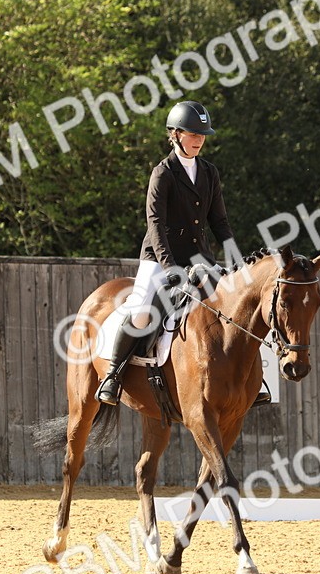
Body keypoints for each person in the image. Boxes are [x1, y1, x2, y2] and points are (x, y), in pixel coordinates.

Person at [96, 100, 237, 405]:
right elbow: (156, 224)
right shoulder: (163, 173)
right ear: (174, 134)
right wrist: (170, 266)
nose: (199, 139)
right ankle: (113, 374)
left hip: (200, 259)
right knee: (143, 308)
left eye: (202, 134)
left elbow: (219, 221)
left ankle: (253, 382)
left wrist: (235, 256)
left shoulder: (209, 172)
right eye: (192, 133)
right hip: (161, 257)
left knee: (236, 306)